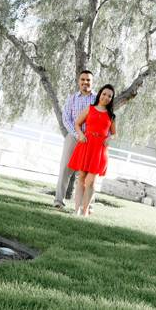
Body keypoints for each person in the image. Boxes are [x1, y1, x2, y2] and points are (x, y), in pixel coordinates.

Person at [68, 84, 117, 216]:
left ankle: (85, 210)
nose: (106, 97)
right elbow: (77, 123)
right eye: (104, 94)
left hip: (99, 149)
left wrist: (109, 138)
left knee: (91, 181)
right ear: (100, 94)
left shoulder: (111, 116)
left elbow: (114, 133)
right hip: (86, 144)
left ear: (111, 99)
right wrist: (81, 134)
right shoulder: (89, 109)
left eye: (109, 96)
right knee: (81, 178)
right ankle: (76, 210)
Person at [54, 70, 96, 209]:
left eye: (88, 80)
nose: (85, 82)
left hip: (90, 140)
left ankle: (87, 206)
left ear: (92, 82)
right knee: (65, 168)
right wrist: (77, 134)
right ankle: (58, 201)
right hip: (73, 137)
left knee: (88, 172)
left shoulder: (97, 99)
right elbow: (66, 118)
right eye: (82, 79)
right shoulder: (72, 98)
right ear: (79, 81)